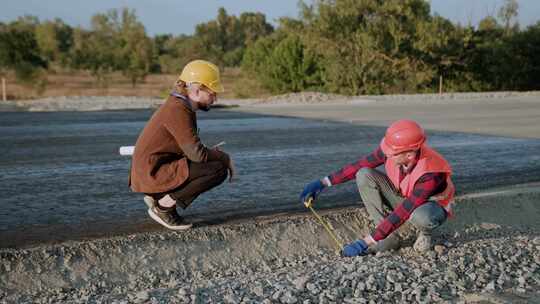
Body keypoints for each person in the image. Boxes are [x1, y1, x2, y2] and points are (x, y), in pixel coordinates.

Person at [300, 119, 455, 256]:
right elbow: (359, 165)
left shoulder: (431, 173)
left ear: (409, 155)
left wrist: (366, 242)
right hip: (406, 198)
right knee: (364, 174)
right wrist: (323, 183)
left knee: (422, 218)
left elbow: (404, 211)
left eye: (391, 153)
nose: (386, 155)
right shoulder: (395, 150)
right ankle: (389, 238)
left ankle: (425, 233)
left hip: (429, 207)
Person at [129, 60, 235, 230]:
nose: (215, 98)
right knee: (217, 169)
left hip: (153, 168)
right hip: (151, 173)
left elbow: (191, 150)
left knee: (211, 163)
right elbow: (198, 155)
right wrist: (225, 157)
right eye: (212, 93)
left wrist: (211, 153)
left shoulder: (181, 105)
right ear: (197, 90)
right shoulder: (178, 110)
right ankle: (163, 207)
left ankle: (160, 196)